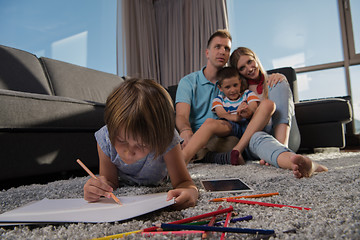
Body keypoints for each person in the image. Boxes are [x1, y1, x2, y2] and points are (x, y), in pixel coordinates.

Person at [83, 78, 198, 210]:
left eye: (142, 145)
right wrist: (98, 189)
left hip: (163, 175)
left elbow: (184, 182)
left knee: (182, 159)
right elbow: (110, 182)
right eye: (121, 140)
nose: (129, 151)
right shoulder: (105, 138)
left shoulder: (167, 138)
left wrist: (191, 192)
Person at [176, 29, 277, 164]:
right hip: (197, 135)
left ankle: (206, 156)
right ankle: (193, 156)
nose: (222, 51)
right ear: (207, 52)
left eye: (227, 48)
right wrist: (186, 131)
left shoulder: (235, 81)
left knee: (235, 142)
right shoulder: (188, 82)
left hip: (226, 133)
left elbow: (255, 81)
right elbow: (181, 116)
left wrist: (275, 76)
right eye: (217, 47)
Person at [229, 47, 328, 178]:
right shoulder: (239, 92)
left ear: (256, 59)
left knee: (279, 81)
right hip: (259, 141)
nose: (249, 68)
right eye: (242, 68)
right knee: (256, 136)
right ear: (238, 72)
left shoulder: (273, 81)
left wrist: (280, 79)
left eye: (249, 61)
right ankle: (307, 164)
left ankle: (281, 147)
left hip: (285, 136)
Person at [182, 67, 261, 165]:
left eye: (235, 85)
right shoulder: (219, 99)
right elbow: (221, 113)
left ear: (240, 83)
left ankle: (211, 156)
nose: (232, 90)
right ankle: (183, 159)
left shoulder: (247, 94)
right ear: (220, 88)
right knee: (209, 122)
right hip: (230, 126)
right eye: (227, 87)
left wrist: (247, 110)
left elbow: (253, 108)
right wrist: (236, 117)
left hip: (248, 127)